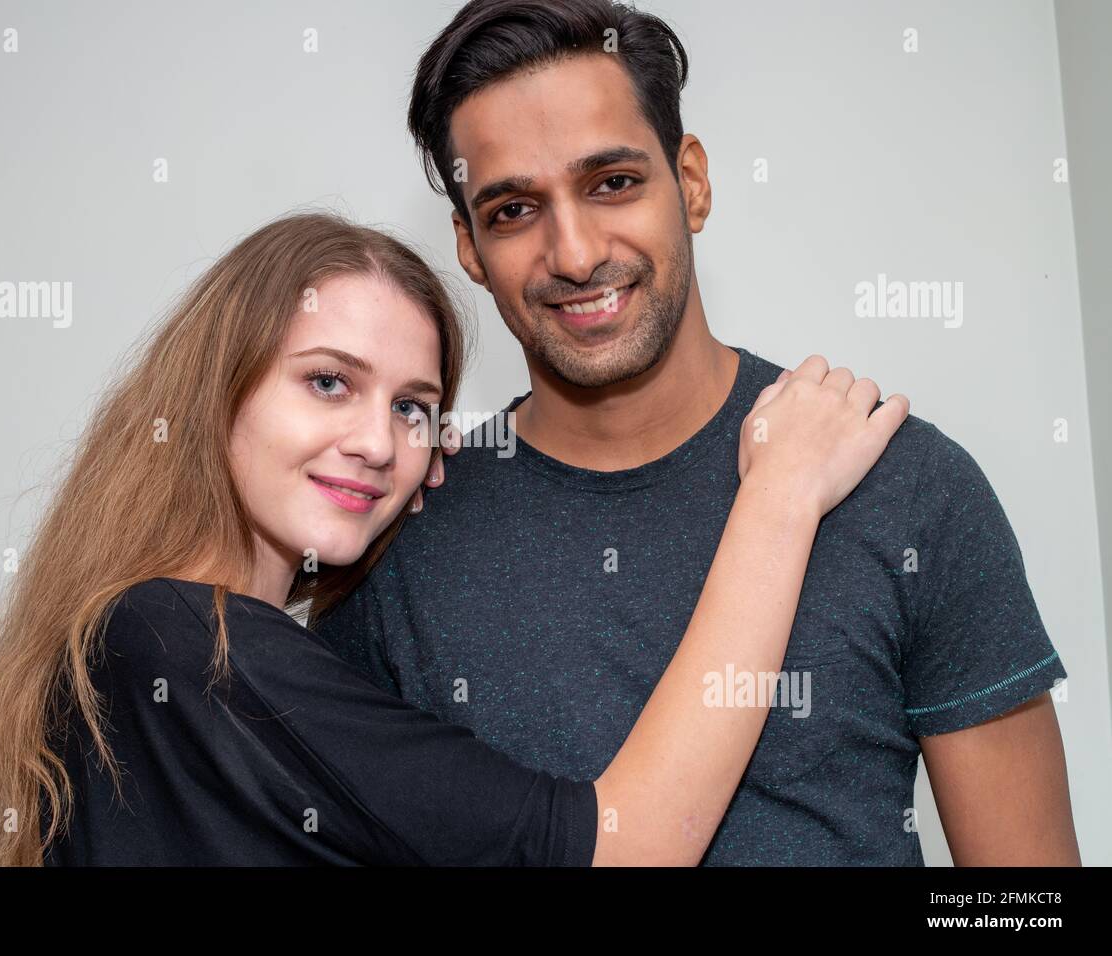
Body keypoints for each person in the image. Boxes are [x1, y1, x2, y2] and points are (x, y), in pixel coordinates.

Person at [312, 0, 1081, 865]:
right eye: (514, 210)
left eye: (612, 183)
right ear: (468, 246)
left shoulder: (905, 486)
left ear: (694, 181)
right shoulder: (398, 543)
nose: (573, 254)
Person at [0, 210, 906, 865]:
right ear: (213, 391)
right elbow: (629, 842)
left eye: (412, 407)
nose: (375, 439)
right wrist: (778, 494)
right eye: (327, 382)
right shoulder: (193, 644)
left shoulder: (149, 638)